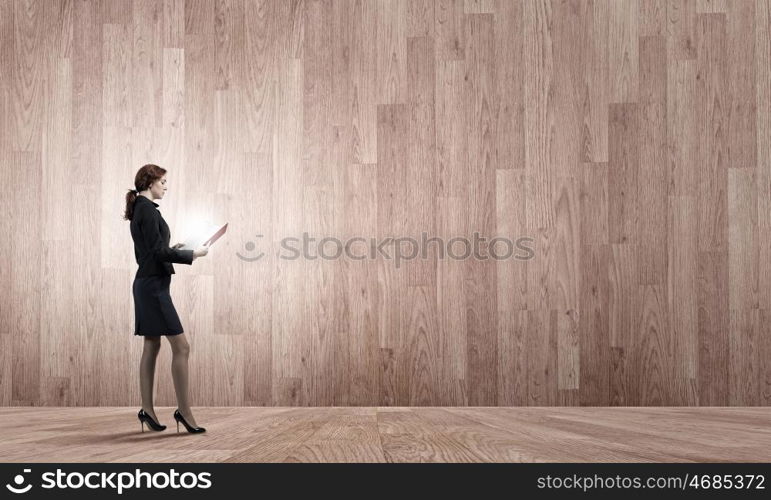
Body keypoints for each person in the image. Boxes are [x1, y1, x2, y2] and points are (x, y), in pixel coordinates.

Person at [124, 164, 210, 434]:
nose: (165, 186)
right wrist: (192, 254)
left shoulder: (142, 208)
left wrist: (174, 249)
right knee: (181, 347)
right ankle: (184, 412)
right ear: (149, 183)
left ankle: (147, 411)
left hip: (149, 283)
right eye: (162, 181)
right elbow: (157, 254)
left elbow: (155, 251)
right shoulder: (147, 210)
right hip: (153, 288)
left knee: (152, 345)